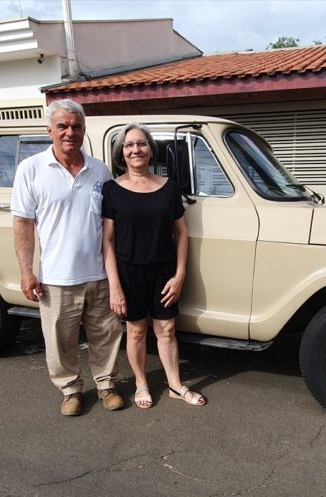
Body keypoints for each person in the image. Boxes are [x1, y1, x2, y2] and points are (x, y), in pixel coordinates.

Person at [11, 99, 125, 416]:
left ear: (84, 130)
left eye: (76, 126)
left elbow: (109, 224)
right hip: (57, 277)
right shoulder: (31, 169)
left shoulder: (100, 170)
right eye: (62, 126)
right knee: (60, 341)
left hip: (99, 274)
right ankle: (70, 390)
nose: (69, 132)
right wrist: (26, 271)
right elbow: (23, 223)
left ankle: (107, 386)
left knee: (106, 335)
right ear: (49, 130)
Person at [101, 123, 205, 409]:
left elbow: (181, 233)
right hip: (129, 272)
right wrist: (114, 286)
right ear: (121, 152)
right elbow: (107, 241)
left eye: (141, 143)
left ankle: (175, 385)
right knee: (135, 331)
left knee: (167, 330)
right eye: (129, 145)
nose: (136, 149)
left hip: (164, 271)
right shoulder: (112, 190)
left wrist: (180, 274)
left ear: (150, 149)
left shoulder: (168, 187)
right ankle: (141, 383)